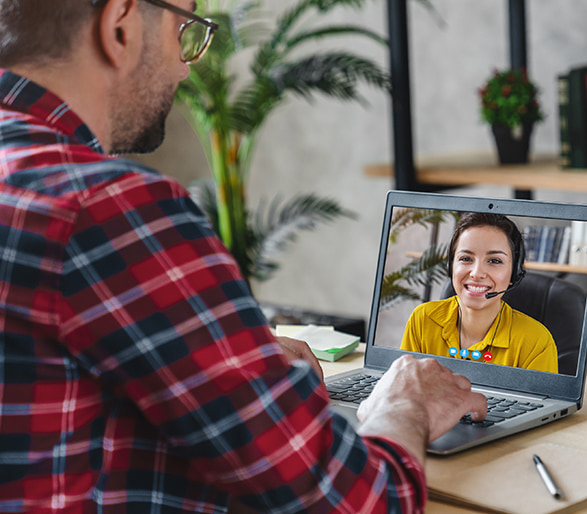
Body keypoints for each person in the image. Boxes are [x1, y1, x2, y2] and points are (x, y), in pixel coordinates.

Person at [0, 1, 487, 511]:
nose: (186, 65)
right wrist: (406, 403)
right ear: (119, 25)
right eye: (185, 28)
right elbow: (359, 502)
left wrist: (220, 362)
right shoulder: (108, 207)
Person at [400, 213, 558, 373]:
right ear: (451, 266)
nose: (476, 273)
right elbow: (404, 390)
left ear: (514, 274)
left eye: (494, 261)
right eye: (466, 258)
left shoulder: (536, 342)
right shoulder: (423, 320)